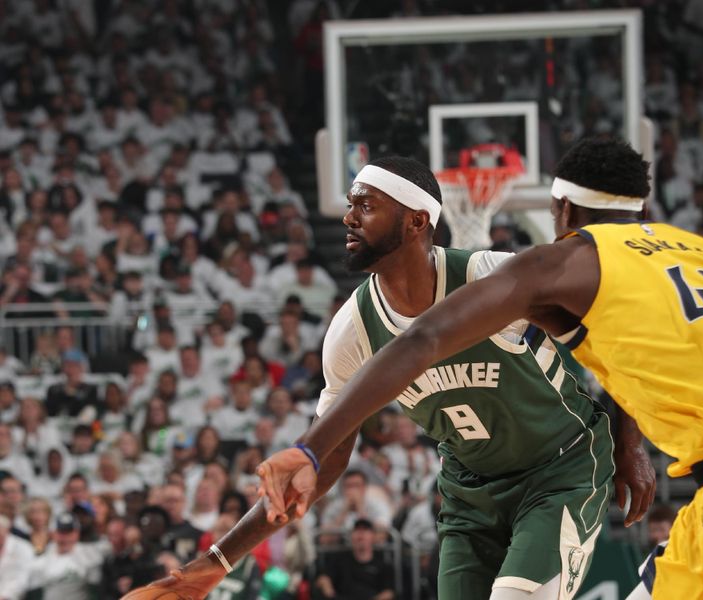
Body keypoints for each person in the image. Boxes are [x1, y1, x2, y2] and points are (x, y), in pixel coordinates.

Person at [257, 139, 703, 600]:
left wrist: (306, 447)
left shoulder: (562, 262)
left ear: (560, 208)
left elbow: (423, 338)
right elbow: (647, 353)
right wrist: (628, 442)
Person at [122, 154, 654, 600]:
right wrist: (214, 563)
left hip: (559, 471)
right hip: (469, 496)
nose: (349, 217)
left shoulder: (491, 275)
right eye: (350, 205)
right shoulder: (351, 330)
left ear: (417, 221)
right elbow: (321, 462)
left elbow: (615, 334)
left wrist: (630, 442)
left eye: (366, 205)